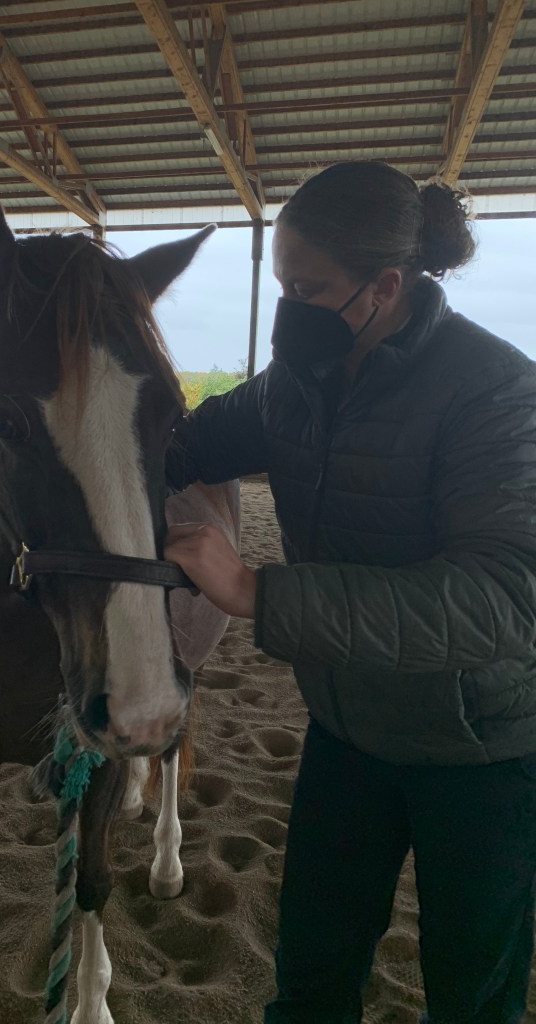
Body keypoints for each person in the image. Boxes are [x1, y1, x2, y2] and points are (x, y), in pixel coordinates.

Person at [163, 160, 536, 1024]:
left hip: (481, 754)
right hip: (347, 731)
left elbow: (504, 598)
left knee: (474, 998)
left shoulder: (495, 389)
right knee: (310, 979)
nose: (288, 309)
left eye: (308, 290)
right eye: (282, 285)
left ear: (386, 287)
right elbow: (185, 444)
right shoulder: (295, 386)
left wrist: (258, 592)